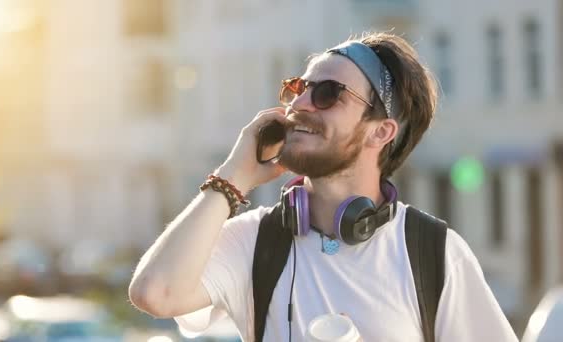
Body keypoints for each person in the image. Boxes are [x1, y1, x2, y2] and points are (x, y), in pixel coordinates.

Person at [128, 32, 518, 341]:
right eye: (299, 87)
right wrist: (234, 175)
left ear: (380, 132)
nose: (300, 104)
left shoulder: (431, 251)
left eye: (328, 93)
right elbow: (155, 294)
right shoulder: (256, 241)